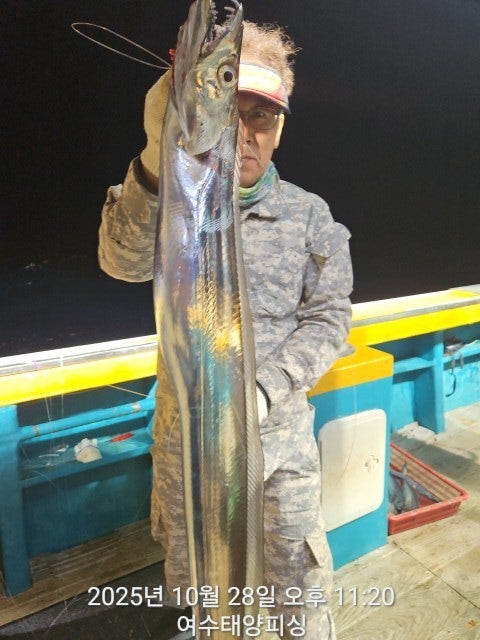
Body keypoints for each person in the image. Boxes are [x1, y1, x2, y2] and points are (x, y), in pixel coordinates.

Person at [99, 21, 353, 640]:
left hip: (280, 448)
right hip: (189, 455)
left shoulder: (309, 215)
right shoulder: (171, 202)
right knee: (207, 604)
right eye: (232, 112)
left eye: (261, 116)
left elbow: (329, 318)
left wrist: (264, 389)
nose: (244, 132)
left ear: (280, 127)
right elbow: (120, 262)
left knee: (299, 599)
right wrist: (156, 158)